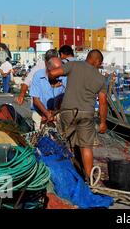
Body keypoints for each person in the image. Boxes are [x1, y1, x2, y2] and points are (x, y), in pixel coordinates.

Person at [49, 50, 108, 181]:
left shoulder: (74, 65)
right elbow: (103, 103)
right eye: (100, 63)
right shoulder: (101, 79)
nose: (99, 66)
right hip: (87, 113)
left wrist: (52, 81)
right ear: (96, 61)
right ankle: (89, 179)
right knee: (86, 146)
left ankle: (70, 177)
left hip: (68, 111)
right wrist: (103, 123)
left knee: (68, 144)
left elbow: (53, 73)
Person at [30, 57, 67, 131]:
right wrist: (46, 113)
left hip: (56, 113)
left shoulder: (63, 77)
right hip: (40, 112)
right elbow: (36, 99)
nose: (59, 73)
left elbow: (65, 98)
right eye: (56, 71)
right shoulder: (38, 76)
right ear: (49, 70)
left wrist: (54, 112)